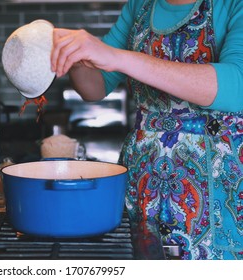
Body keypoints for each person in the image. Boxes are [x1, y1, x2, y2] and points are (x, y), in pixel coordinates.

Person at [51, 0, 243, 260]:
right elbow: (95, 88)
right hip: (145, 186)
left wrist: (117, 57)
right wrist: (74, 56)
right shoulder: (140, 6)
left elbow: (236, 84)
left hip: (216, 197)